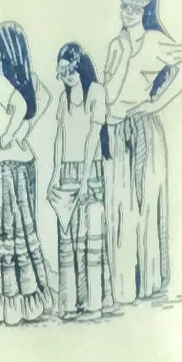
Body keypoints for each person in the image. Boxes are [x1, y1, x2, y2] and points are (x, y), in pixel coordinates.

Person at [100, 0, 182, 306]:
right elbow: (108, 92)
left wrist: (156, 103)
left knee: (145, 204)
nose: (127, 11)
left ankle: (149, 280)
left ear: (147, 8)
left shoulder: (155, 41)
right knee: (119, 206)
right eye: (124, 4)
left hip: (144, 131)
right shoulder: (116, 45)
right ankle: (123, 284)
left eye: (135, 6)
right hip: (115, 130)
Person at [0, 23, 51, 324]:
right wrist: (23, 132)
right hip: (23, 161)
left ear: (4, 48)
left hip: (4, 162)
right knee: (23, 230)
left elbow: (21, 106)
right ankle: (31, 302)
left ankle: (9, 306)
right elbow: (41, 98)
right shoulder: (26, 77)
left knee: (5, 234)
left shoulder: (1, 80)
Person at [46, 40, 107, 320]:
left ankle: (93, 304)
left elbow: (94, 137)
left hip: (90, 172)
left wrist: (84, 178)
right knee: (67, 239)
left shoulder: (97, 92)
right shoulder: (63, 98)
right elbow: (59, 138)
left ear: (80, 66)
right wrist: (55, 175)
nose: (68, 77)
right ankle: (69, 305)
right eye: (63, 73)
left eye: (71, 70)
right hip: (67, 173)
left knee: (90, 238)